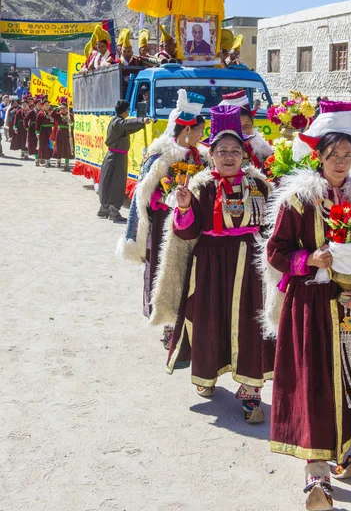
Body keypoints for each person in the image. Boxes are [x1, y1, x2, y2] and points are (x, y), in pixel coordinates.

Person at [263, 100, 351, 510]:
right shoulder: (298, 201)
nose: (340, 162)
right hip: (310, 305)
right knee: (315, 381)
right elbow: (276, 252)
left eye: (347, 155)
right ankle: (316, 470)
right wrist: (310, 260)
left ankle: (341, 449)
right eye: (332, 154)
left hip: (350, 310)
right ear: (318, 156)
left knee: (349, 379)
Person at [151, 104, 275, 423]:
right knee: (209, 323)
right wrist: (183, 208)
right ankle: (208, 377)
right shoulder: (201, 185)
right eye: (222, 150)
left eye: (236, 149)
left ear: (244, 154)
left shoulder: (259, 185)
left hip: (251, 270)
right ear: (212, 153)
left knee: (251, 328)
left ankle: (250, 393)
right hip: (209, 268)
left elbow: (272, 227)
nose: (230, 156)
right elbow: (188, 231)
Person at [119, 90, 208, 348]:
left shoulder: (198, 156)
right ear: (187, 129)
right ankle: (169, 322)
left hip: (194, 222)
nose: (202, 136)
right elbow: (145, 193)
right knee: (168, 270)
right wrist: (166, 198)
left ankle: (191, 320)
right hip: (165, 225)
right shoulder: (161, 156)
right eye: (199, 131)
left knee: (192, 270)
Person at [98, 99, 150, 222]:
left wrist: (141, 123)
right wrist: (141, 120)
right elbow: (126, 125)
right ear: (125, 111)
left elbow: (129, 128)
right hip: (116, 157)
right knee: (116, 183)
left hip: (115, 156)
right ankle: (113, 211)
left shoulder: (116, 122)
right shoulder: (118, 123)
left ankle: (104, 209)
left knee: (109, 182)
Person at [220, 90, 273, 169]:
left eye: (247, 125)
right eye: (238, 126)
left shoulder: (261, 149)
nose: (243, 131)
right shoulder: (219, 154)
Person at [52, 98, 74, 171]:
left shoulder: (70, 115)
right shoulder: (58, 115)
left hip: (68, 133)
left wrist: (71, 123)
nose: (64, 109)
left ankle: (66, 163)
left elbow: (74, 124)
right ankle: (58, 162)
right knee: (59, 147)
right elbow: (52, 114)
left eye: (65, 108)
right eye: (62, 108)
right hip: (60, 133)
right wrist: (57, 108)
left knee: (67, 148)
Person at [36, 98, 54, 167]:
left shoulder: (51, 113)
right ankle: (46, 160)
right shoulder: (40, 114)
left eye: (48, 105)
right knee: (44, 146)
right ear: (42, 106)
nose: (47, 106)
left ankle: (49, 160)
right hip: (43, 131)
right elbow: (37, 125)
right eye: (46, 105)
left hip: (50, 131)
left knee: (50, 145)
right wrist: (37, 132)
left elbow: (54, 122)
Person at [24, 94, 41, 165]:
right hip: (32, 129)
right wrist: (27, 127)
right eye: (38, 104)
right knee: (34, 144)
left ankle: (41, 157)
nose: (39, 105)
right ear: (35, 105)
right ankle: (36, 158)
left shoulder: (43, 112)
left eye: (41, 104)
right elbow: (25, 119)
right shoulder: (31, 112)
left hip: (41, 129)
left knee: (41, 143)